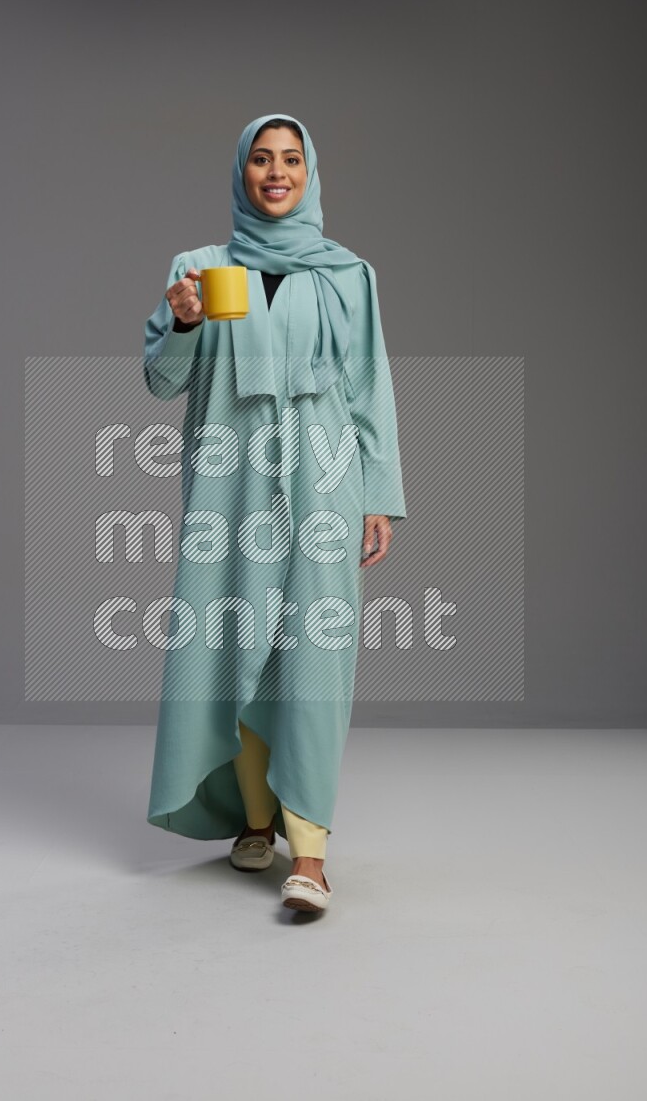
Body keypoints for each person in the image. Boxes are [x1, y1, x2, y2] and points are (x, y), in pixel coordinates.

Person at [144, 113, 406, 913]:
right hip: (231, 484)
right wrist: (184, 322)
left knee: (314, 656)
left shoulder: (347, 276)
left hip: (326, 480)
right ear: (242, 172)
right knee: (234, 642)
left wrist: (381, 496)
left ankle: (313, 851)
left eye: (291, 159)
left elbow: (370, 388)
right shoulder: (200, 267)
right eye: (262, 159)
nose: (276, 171)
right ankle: (254, 821)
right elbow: (160, 380)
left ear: (310, 171)